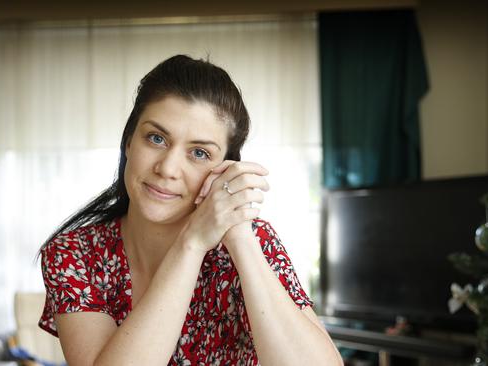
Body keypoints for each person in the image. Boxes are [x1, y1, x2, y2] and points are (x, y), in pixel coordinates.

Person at [38, 55, 342, 365]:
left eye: (199, 153)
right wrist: (191, 244)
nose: (168, 169)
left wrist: (239, 236)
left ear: (224, 169)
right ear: (129, 142)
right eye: (156, 138)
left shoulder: (254, 242)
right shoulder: (74, 254)